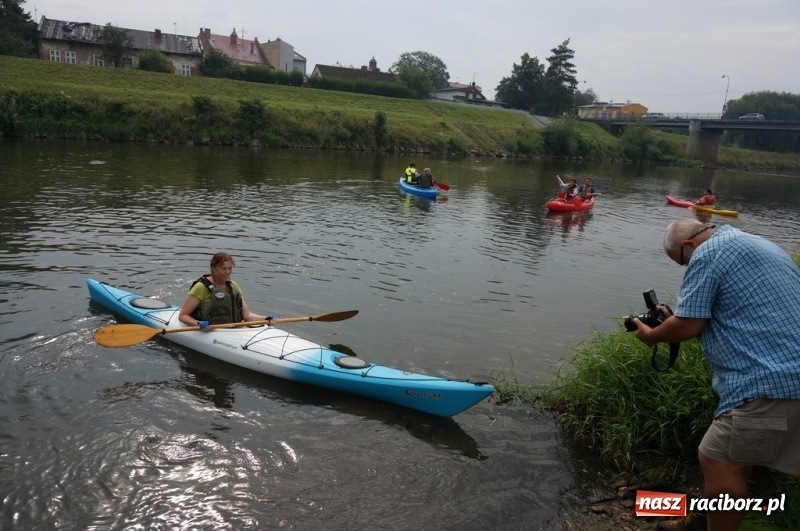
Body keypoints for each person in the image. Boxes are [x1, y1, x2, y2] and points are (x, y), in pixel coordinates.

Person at [632, 219, 800, 531]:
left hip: (768, 380)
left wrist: (652, 336)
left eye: (682, 262)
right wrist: (676, 319)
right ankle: (705, 521)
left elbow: (686, 327)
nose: (687, 266)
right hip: (791, 373)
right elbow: (737, 314)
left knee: (715, 458)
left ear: (688, 246)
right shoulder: (761, 245)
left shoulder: (708, 253)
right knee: (737, 457)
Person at [179, 252, 270, 331]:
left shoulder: (234, 286)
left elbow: (247, 315)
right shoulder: (201, 287)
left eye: (230, 268)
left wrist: (266, 319)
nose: (227, 272)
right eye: (224, 268)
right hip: (213, 331)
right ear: (214, 268)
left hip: (235, 330)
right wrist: (198, 323)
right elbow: (183, 316)